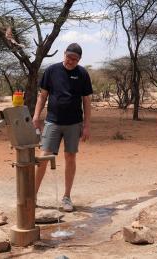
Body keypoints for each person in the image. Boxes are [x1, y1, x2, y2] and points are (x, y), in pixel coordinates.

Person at [32, 43, 93, 212]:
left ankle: (66, 197)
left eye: (74, 59)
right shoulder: (52, 70)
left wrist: (87, 125)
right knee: (43, 156)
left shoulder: (82, 74)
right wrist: (36, 116)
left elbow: (86, 101)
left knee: (70, 157)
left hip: (74, 123)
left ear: (79, 59)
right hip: (52, 121)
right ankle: (33, 195)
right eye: (68, 57)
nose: (70, 61)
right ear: (64, 54)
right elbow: (42, 96)